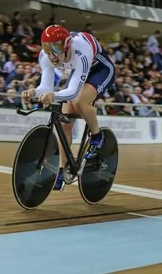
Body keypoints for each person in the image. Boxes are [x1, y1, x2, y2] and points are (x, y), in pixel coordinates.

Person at [21, 25, 114, 192]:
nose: (51, 56)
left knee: (79, 102)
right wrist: (33, 91)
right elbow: (46, 86)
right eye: (47, 49)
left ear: (66, 46)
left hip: (101, 70)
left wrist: (53, 96)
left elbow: (72, 93)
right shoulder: (45, 56)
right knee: (65, 123)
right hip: (79, 72)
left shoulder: (81, 51)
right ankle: (62, 172)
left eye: (55, 49)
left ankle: (96, 136)